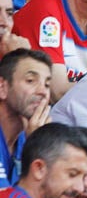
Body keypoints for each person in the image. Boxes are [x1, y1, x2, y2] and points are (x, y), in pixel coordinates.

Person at [0, 49, 51, 189]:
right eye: (30, 81)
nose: (43, 91)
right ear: (2, 87)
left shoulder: (29, 136)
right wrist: (34, 149)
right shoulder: (32, 141)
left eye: (47, 84)